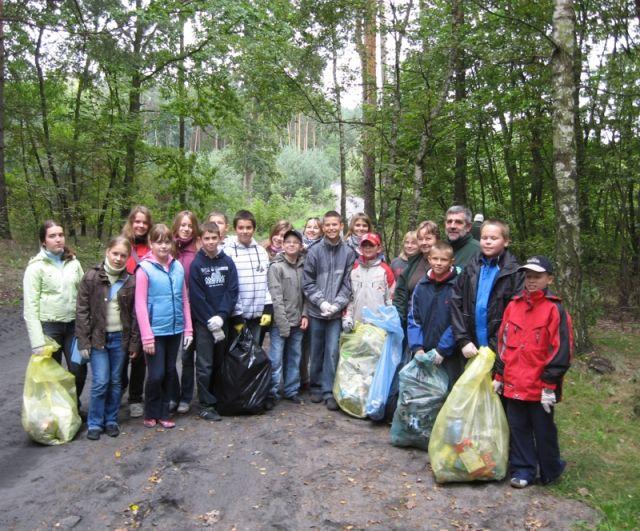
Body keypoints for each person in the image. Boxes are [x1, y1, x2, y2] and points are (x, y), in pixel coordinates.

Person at [494, 256, 573, 488]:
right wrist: (499, 376)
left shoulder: (554, 309)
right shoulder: (513, 305)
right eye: (528, 276)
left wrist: (550, 385)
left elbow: (563, 351)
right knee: (518, 428)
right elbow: (503, 343)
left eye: (537, 276)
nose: (531, 281)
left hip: (539, 386)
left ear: (549, 279)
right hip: (513, 382)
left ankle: (550, 468)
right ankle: (523, 470)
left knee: (544, 429)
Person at [75, 236, 140, 440]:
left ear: (128, 257)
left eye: (123, 255)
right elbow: (82, 311)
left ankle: (111, 420)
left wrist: (133, 342)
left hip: (120, 339)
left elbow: (134, 315)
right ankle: (95, 422)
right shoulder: (91, 277)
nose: (119, 258)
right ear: (107, 251)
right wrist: (83, 341)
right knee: (100, 381)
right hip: (98, 340)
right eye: (115, 254)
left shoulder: (130, 281)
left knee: (115, 381)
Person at [135, 224, 193, 429]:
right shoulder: (144, 269)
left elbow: (184, 299)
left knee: (170, 371)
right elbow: (140, 305)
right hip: (155, 331)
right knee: (156, 373)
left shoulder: (177, 266)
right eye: (158, 241)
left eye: (167, 241)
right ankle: (151, 411)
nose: (163, 246)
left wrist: (188, 329)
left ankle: (164, 412)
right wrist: (147, 336)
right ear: (151, 243)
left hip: (175, 329)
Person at [23, 220, 86, 404]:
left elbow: (84, 295)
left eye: (60, 235)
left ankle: (73, 405)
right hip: (49, 329)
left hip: (74, 327)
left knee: (78, 369)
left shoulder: (73, 263)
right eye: (52, 236)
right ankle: (59, 415)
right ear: (44, 241)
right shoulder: (35, 267)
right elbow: (30, 307)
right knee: (52, 375)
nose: (58, 239)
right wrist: (37, 342)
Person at [303, 210, 357, 410]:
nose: (332, 228)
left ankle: (329, 390)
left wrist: (336, 304)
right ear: (323, 227)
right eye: (328, 225)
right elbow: (307, 282)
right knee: (316, 350)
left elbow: (348, 283)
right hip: (317, 312)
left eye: (335, 224)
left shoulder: (349, 253)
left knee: (333, 351)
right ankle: (315, 386)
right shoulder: (314, 251)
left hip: (335, 313)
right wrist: (321, 302)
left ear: (341, 225)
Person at [450, 219, 524, 362]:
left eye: (494, 238)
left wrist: (494, 346)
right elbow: (455, 301)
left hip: (500, 350)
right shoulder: (471, 268)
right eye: (484, 238)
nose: (488, 242)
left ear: (506, 241)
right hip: (470, 347)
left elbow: (516, 315)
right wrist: (463, 339)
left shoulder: (515, 273)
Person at [189, 222, 239, 421]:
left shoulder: (227, 262)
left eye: (213, 238)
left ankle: (217, 398)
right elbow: (196, 296)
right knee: (205, 364)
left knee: (220, 361)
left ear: (220, 238)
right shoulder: (197, 265)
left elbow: (232, 290)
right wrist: (210, 320)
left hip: (222, 320)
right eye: (206, 238)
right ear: (201, 240)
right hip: (204, 324)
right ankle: (205, 403)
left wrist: (222, 315)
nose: (210, 242)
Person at [406, 241, 462, 386]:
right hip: (423, 351)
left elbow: (458, 320)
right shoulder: (421, 286)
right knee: (422, 392)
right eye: (435, 259)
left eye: (443, 260)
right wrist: (417, 347)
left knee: (445, 390)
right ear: (429, 259)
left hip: (448, 353)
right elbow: (414, 317)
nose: (438, 263)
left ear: (451, 261)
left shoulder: (457, 286)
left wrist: (442, 349)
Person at [266, 229, 308, 409]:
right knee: (275, 359)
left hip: (298, 320)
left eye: (295, 242)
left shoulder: (304, 266)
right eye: (288, 242)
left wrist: (305, 314)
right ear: (282, 245)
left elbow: (307, 294)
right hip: (280, 322)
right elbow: (276, 297)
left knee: (294, 357)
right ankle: (272, 391)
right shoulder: (276, 267)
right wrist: (282, 324)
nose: (291, 245)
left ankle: (291, 390)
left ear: (300, 246)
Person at [121, 205, 153, 419]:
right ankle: (118, 388)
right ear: (131, 223)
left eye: (144, 222)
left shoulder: (152, 246)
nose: (140, 225)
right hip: (122, 306)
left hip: (144, 306)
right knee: (120, 352)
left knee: (139, 356)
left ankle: (135, 397)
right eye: (137, 221)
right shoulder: (122, 244)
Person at [226, 210, 273, 344]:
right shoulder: (228, 253)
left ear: (254, 229)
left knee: (254, 358)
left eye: (249, 227)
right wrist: (236, 316)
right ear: (235, 229)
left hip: (258, 317)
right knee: (237, 359)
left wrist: (268, 309)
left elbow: (266, 282)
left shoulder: (261, 252)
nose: (245, 231)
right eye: (241, 228)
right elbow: (229, 288)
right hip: (237, 317)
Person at [171, 210, 200, 414]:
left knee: (187, 355)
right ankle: (172, 393)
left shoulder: (197, 250)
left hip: (192, 310)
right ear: (176, 226)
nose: (186, 229)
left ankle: (186, 396)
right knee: (170, 356)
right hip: (170, 311)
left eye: (189, 225)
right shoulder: (168, 247)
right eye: (183, 225)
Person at [342, 233, 394, 332]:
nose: (367, 248)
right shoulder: (354, 269)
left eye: (371, 245)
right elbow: (349, 297)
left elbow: (390, 299)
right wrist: (347, 317)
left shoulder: (385, 270)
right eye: (364, 245)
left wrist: (390, 321)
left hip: (379, 326)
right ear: (360, 248)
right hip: (357, 325)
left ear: (378, 248)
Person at [393, 220, 440, 329]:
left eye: (428, 238)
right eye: (420, 239)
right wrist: (399, 318)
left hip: (435, 325)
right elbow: (400, 293)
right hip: (412, 324)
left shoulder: (443, 262)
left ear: (437, 239)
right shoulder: (413, 263)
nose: (424, 242)